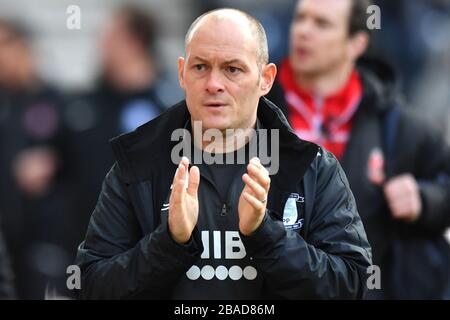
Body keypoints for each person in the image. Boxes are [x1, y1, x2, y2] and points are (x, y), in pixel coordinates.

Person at [75, 8, 371, 299]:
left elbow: (352, 284)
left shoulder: (312, 168)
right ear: (182, 73)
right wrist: (169, 243)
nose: (214, 84)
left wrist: (265, 233)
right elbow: (92, 286)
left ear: (265, 79)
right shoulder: (137, 167)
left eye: (233, 69)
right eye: (200, 67)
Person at [267, 0, 450, 299]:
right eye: (300, 19)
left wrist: (423, 198)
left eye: (321, 24)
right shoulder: (253, 110)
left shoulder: (396, 123)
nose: (303, 31)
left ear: (356, 43)